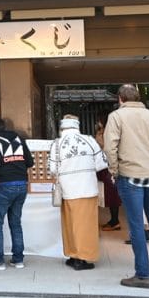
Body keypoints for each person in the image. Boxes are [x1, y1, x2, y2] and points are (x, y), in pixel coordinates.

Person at [103, 84, 149, 289]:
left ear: (120, 99)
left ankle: (142, 274)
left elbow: (110, 147)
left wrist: (114, 171)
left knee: (135, 224)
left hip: (130, 175)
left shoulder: (116, 117)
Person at [50, 115, 109, 270]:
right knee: (86, 225)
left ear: (62, 127)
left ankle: (72, 255)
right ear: (77, 126)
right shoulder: (89, 140)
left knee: (70, 223)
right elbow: (102, 163)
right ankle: (83, 258)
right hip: (87, 188)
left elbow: (52, 169)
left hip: (68, 190)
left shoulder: (57, 144)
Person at [0, 116, 34, 270]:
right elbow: (29, 162)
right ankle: (18, 259)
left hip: (5, 184)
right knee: (15, 223)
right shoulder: (18, 138)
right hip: (22, 184)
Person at [95, 116, 122, 231]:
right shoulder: (107, 131)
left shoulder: (107, 133)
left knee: (112, 194)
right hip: (107, 165)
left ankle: (115, 221)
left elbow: (103, 147)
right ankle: (113, 220)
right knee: (111, 194)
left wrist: (99, 134)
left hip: (109, 166)